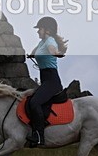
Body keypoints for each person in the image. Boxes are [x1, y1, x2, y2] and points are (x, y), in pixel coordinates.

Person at [25, 16, 68, 147]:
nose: (38, 31)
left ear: (47, 30)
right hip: (45, 80)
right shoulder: (41, 42)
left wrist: (56, 53)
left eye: (40, 29)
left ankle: (39, 137)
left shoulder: (50, 41)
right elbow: (33, 53)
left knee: (34, 102)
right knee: (29, 100)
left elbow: (52, 50)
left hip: (52, 81)